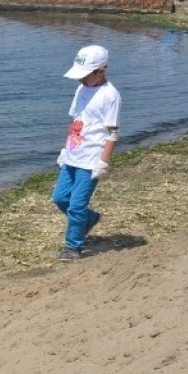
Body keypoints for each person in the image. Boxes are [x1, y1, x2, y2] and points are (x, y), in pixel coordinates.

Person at [53, 45, 121, 262]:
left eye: (85, 75)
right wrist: (65, 149)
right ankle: (90, 219)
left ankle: (73, 246)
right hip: (73, 155)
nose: (81, 80)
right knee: (60, 198)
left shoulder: (110, 95)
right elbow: (75, 120)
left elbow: (113, 132)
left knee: (76, 205)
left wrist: (103, 162)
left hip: (91, 160)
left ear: (101, 70)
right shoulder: (82, 90)